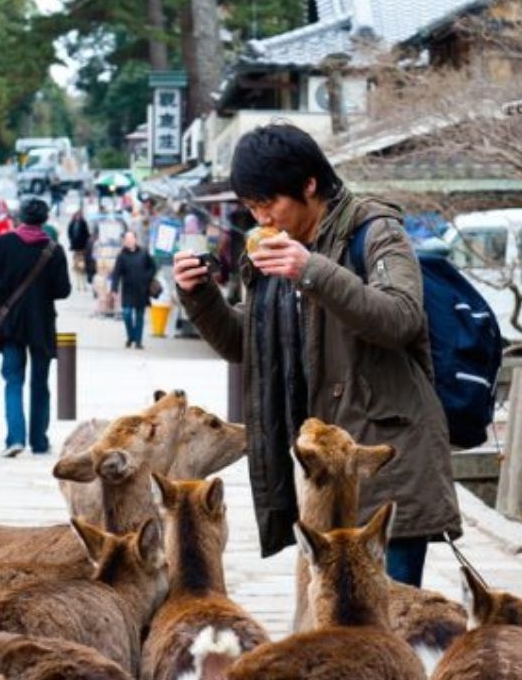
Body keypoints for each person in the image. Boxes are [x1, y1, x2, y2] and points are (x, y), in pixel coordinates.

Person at [173, 122, 459, 586]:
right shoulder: (276, 248)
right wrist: (200, 295)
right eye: (251, 207)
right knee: (329, 628)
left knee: (388, 627)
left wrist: (313, 271)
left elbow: (402, 317)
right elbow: (243, 342)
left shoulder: (375, 230)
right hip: (319, 469)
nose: (262, 218)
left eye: (269, 204)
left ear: (309, 185)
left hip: (384, 466)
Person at [0, 197, 71, 457]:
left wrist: (2, 300)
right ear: (45, 219)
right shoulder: (54, 249)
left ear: (20, 217)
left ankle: (15, 439)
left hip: (12, 324)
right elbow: (63, 291)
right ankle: (39, 441)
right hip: (42, 324)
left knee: (13, 381)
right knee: (40, 384)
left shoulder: (3, 243)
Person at [108, 231, 158, 349]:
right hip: (128, 290)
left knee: (140, 316)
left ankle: (138, 342)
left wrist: (147, 277)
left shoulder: (144, 253)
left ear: (135, 240)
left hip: (142, 290)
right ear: (124, 241)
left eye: (131, 239)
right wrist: (114, 289)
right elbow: (116, 273)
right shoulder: (121, 256)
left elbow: (153, 267)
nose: (129, 241)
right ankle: (131, 336)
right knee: (127, 314)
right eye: (127, 239)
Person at [67, 207, 97, 284]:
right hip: (75, 244)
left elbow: (86, 233)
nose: (78, 217)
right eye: (77, 215)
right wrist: (71, 240)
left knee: (83, 257)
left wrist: (88, 239)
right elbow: (69, 233)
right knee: (76, 256)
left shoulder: (83, 223)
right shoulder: (72, 223)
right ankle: (76, 267)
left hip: (82, 244)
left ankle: (82, 269)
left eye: (79, 215)